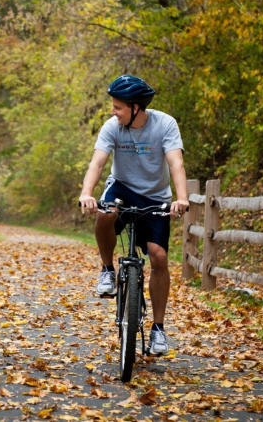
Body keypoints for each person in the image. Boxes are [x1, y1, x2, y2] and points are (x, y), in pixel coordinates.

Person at [78, 75, 188, 355]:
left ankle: (159, 330)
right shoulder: (112, 127)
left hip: (155, 196)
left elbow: (176, 162)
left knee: (159, 257)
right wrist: (86, 193)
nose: (113, 112)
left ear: (136, 108)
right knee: (105, 213)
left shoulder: (165, 124)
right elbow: (98, 162)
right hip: (122, 188)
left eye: (118, 107)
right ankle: (106, 270)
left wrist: (182, 198)